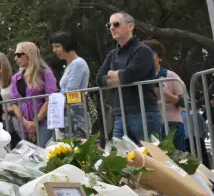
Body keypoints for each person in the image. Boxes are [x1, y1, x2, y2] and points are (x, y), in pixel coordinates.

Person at [99, 12, 163, 142]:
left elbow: (128, 75)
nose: (112, 28)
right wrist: (118, 77)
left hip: (144, 113)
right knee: (119, 154)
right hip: (120, 114)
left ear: (130, 26)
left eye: (116, 24)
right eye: (109, 25)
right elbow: (99, 78)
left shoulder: (143, 50)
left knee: (150, 154)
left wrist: (112, 74)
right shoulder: (112, 54)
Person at [10, 40, 58, 145]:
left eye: (18, 55)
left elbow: (50, 98)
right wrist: (26, 123)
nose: (15, 58)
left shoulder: (45, 73)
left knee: (43, 151)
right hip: (24, 125)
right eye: (15, 55)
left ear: (29, 54)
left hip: (44, 122)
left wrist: (35, 122)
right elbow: (14, 103)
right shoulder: (15, 78)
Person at [144, 40, 188, 151]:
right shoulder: (140, 79)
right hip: (149, 124)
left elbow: (184, 102)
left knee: (176, 157)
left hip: (171, 124)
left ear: (159, 57)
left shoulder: (170, 75)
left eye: (151, 55)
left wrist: (163, 94)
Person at [49, 32, 92, 138]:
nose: (54, 50)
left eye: (57, 46)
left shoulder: (78, 63)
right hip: (69, 111)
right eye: (53, 47)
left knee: (77, 143)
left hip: (76, 112)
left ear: (67, 45)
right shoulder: (70, 65)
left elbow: (71, 89)